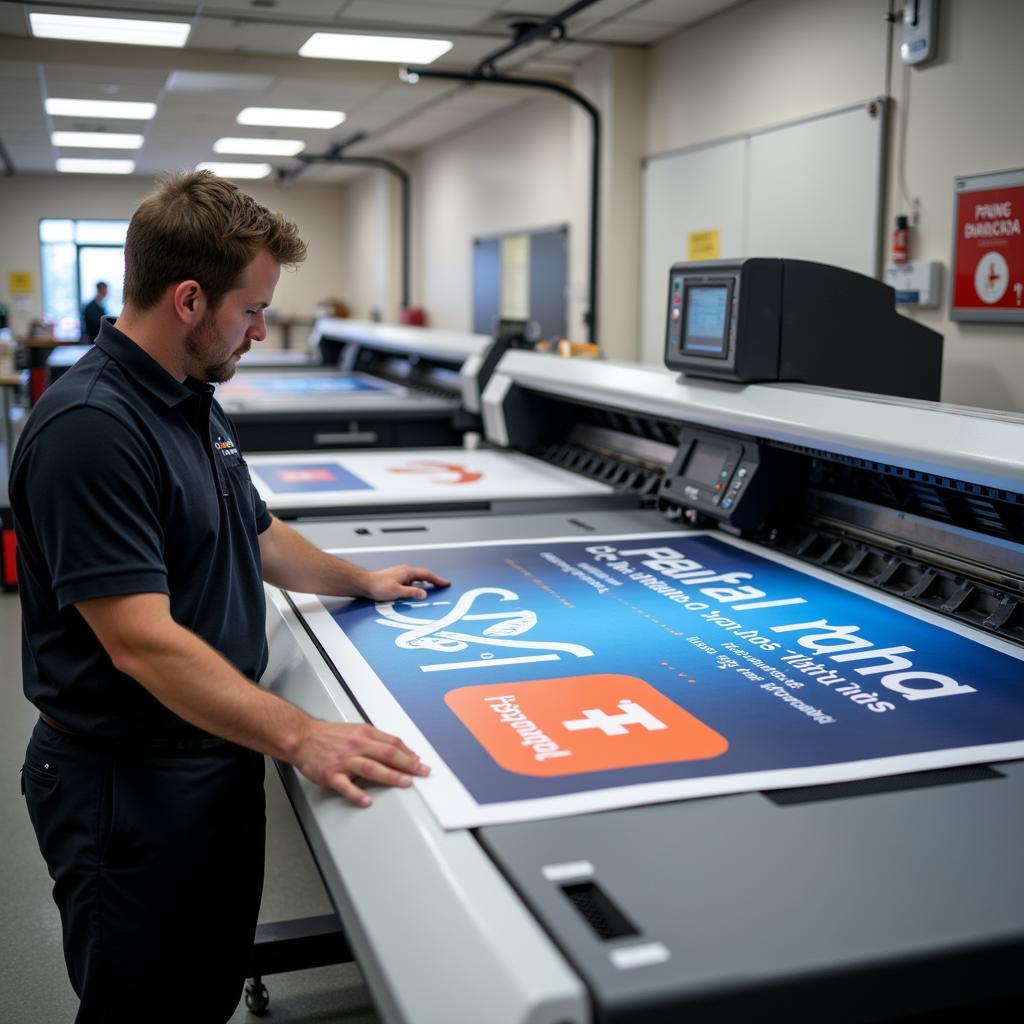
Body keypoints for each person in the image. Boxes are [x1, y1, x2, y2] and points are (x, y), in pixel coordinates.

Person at [11, 170, 449, 1024]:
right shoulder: (92, 428)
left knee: (202, 988)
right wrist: (303, 735)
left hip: (205, 756)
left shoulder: (188, 400)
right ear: (186, 299)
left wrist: (358, 580)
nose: (257, 332)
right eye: (251, 311)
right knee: (144, 1007)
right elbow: (139, 642)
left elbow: (253, 530)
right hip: (125, 788)